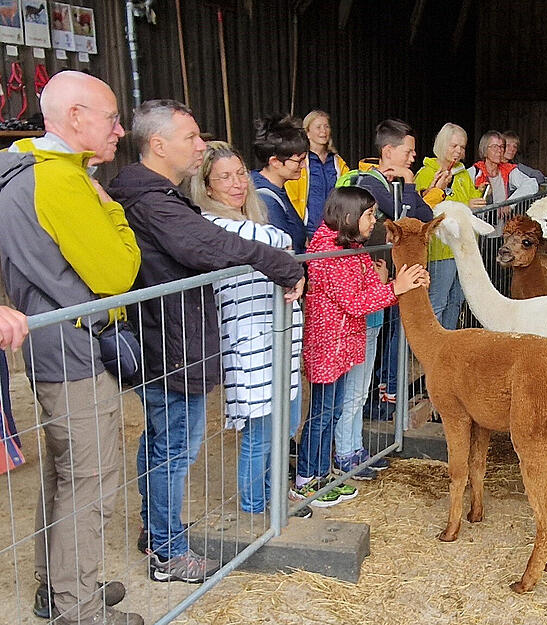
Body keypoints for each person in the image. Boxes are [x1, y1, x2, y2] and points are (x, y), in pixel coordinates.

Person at [107, 100, 305, 585]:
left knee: (165, 442)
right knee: (175, 448)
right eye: (191, 137)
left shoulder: (157, 195)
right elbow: (206, 244)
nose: (200, 145)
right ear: (159, 145)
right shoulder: (152, 200)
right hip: (169, 342)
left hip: (172, 338)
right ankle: (168, 551)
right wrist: (279, 262)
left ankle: (155, 530)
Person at [0, 71, 143, 625]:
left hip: (50, 347)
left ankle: (56, 585)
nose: (119, 129)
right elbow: (118, 272)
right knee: (91, 480)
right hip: (77, 351)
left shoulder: (21, 169)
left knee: (65, 471)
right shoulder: (60, 180)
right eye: (112, 118)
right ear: (76, 117)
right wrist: (112, 208)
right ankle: (78, 608)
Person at [289, 186, 428, 504]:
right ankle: (307, 479)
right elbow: (354, 302)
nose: (374, 221)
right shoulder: (329, 253)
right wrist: (396, 288)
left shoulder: (351, 247)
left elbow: (369, 285)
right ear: (350, 216)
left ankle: (323, 475)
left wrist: (398, 284)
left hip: (342, 344)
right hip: (328, 346)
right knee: (321, 415)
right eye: (369, 215)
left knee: (332, 411)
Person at [189, 141, 304, 514]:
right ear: (208, 188)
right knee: (260, 431)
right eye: (224, 177)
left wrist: (283, 256)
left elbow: (273, 245)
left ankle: (273, 495)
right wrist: (284, 253)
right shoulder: (213, 225)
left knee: (284, 423)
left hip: (278, 335)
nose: (237, 183)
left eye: (240, 174)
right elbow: (277, 241)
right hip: (249, 339)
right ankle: (255, 506)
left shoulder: (252, 221)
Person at [335, 119, 435, 417]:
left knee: (386, 334)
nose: (413, 157)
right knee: (373, 340)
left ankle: (378, 394)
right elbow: (404, 218)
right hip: (373, 277)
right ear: (388, 151)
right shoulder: (369, 185)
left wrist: (409, 185)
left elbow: (425, 214)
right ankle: (371, 400)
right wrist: (409, 184)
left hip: (389, 276)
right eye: (409, 151)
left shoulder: (394, 184)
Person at [414, 122, 485, 330]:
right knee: (438, 301)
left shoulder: (463, 174)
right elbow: (428, 208)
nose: (458, 151)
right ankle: (432, 343)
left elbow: (468, 199)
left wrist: (479, 196)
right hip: (440, 249)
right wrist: (466, 205)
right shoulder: (426, 174)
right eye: (454, 146)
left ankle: (449, 340)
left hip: (463, 248)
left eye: (462, 147)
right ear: (442, 144)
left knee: (456, 300)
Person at [284, 110, 350, 241]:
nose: (323, 131)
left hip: (335, 230)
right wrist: (299, 231)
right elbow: (292, 198)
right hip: (309, 230)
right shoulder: (299, 162)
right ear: (307, 133)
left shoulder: (337, 162)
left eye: (326, 126)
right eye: (318, 127)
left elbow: (347, 193)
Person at [251, 116, 309, 253]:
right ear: (275, 162)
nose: (304, 166)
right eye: (299, 161)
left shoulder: (277, 189)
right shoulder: (266, 200)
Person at [468, 130, 539, 206]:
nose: (499, 150)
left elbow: (532, 184)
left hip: (504, 214)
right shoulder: (474, 172)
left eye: (502, 146)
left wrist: (509, 204)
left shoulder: (508, 170)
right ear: (484, 149)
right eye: (495, 146)